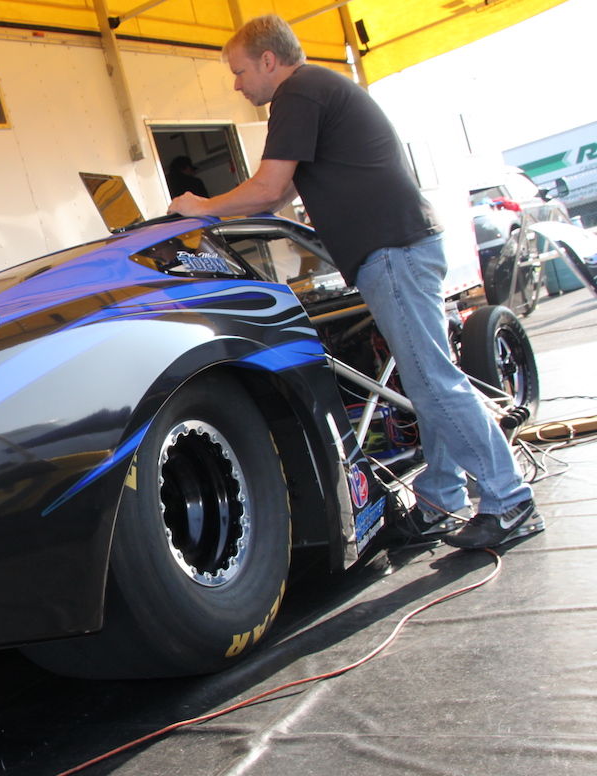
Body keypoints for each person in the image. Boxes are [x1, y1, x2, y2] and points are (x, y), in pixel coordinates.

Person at [168, 14, 542, 550]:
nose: (236, 83)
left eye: (239, 71)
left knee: (432, 380)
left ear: (268, 61)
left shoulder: (297, 92)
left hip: (393, 253)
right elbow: (301, 192)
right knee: (426, 378)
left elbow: (268, 188)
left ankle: (509, 500)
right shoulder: (321, 88)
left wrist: (199, 208)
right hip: (403, 246)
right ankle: (441, 497)